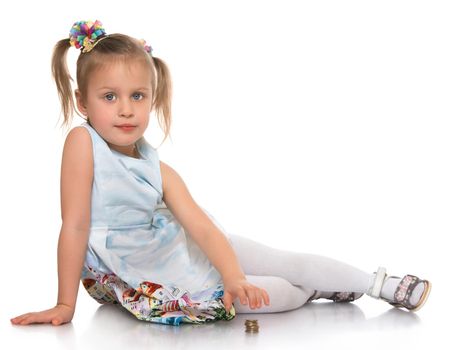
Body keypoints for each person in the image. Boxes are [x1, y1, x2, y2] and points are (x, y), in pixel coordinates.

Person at [10, 20, 431, 327]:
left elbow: (202, 228)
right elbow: (75, 224)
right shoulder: (83, 144)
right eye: (110, 97)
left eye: (138, 95)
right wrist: (65, 304)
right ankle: (318, 288)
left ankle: (380, 283)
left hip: (183, 245)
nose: (125, 109)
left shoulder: (160, 168)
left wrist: (232, 274)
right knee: (282, 294)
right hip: (151, 267)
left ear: (152, 98)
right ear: (82, 102)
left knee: (284, 261)